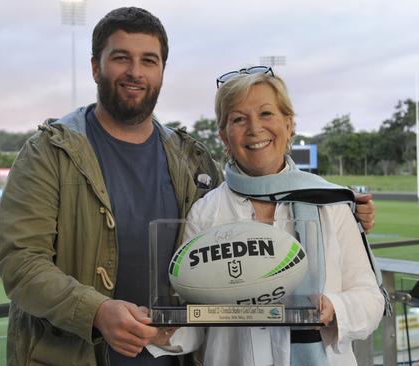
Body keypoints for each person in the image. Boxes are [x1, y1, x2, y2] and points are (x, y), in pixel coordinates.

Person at [0, 7, 377, 366]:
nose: (135, 71)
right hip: (83, 354)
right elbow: (20, 260)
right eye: (120, 58)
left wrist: (345, 208)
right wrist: (98, 313)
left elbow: (364, 295)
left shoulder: (191, 159)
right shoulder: (51, 153)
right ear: (96, 67)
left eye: (149, 60)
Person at [149, 67, 384, 365]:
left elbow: (371, 300)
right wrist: (162, 333)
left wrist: (333, 309)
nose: (254, 128)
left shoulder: (331, 202)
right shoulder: (205, 212)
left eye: (266, 114)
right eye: (238, 119)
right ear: (223, 135)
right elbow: (196, 322)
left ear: (289, 125)